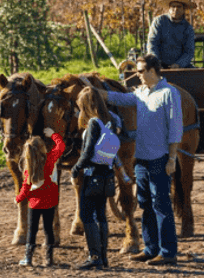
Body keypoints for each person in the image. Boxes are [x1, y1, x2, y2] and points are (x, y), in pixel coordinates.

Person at [103, 53, 183, 266]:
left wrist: (172, 158)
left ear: (151, 70)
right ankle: (150, 248)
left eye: (139, 71)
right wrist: (96, 91)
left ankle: (168, 253)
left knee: (161, 204)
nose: (136, 75)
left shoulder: (169, 93)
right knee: (145, 203)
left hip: (160, 158)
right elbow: (120, 98)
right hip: (141, 159)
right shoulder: (141, 93)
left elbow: (175, 129)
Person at [70, 87, 121, 270]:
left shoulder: (93, 123)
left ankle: (95, 256)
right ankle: (104, 257)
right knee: (101, 215)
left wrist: (76, 168)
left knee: (86, 215)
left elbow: (88, 150)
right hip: (107, 174)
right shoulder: (111, 121)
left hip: (92, 175)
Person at [15, 127, 65, 267]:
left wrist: (18, 199)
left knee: (32, 230)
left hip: (34, 204)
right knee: (48, 230)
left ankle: (28, 258)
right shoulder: (50, 160)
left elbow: (25, 188)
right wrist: (53, 135)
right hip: (50, 201)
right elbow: (61, 146)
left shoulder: (28, 168)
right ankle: (49, 259)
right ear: (43, 148)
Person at [146, 0, 196, 68]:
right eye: (173, 6)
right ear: (169, 8)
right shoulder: (159, 21)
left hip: (180, 66)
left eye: (179, 7)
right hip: (159, 64)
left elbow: (189, 51)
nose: (175, 9)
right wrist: (156, 62)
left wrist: (179, 64)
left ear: (183, 9)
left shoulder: (188, 28)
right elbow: (152, 43)